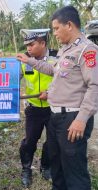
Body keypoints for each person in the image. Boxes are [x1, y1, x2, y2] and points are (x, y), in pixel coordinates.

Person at [17, 6, 98, 190]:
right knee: (58, 168)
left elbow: (95, 86)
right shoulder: (64, 50)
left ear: (68, 25)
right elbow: (53, 70)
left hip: (72, 119)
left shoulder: (87, 50)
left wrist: (81, 119)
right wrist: (29, 61)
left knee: (74, 172)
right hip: (55, 117)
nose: (54, 34)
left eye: (56, 28)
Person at [19, 28, 57, 187]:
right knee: (29, 141)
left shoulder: (58, 57)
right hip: (33, 108)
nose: (28, 48)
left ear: (42, 43)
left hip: (54, 108)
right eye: (26, 45)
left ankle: (46, 166)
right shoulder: (24, 60)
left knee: (52, 141)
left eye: (32, 44)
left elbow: (66, 80)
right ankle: (26, 169)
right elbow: (15, 79)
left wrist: (51, 93)